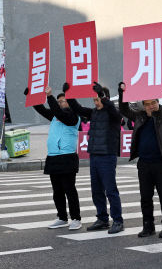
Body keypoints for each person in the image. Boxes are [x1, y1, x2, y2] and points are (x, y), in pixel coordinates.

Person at [118, 82, 162, 238]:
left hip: (161, 163)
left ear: (158, 103)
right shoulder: (140, 116)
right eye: (147, 104)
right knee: (145, 197)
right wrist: (122, 93)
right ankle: (148, 226)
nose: (150, 106)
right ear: (143, 106)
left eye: (153, 103)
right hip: (144, 164)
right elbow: (124, 109)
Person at [67, 82, 124, 234]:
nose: (95, 103)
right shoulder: (94, 112)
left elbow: (113, 110)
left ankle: (118, 221)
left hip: (107, 156)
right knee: (96, 190)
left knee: (111, 190)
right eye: (94, 101)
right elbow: (78, 109)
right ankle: (102, 219)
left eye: (97, 100)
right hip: (94, 156)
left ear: (104, 98)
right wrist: (69, 95)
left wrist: (103, 97)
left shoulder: (113, 113)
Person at [27, 85, 82, 230]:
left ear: (70, 103)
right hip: (53, 157)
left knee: (69, 189)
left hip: (67, 157)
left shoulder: (73, 117)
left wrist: (50, 97)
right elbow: (41, 109)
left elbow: (60, 114)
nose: (61, 104)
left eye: (63, 101)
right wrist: (31, 97)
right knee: (57, 191)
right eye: (59, 102)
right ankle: (62, 217)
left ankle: (76, 218)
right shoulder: (55, 116)